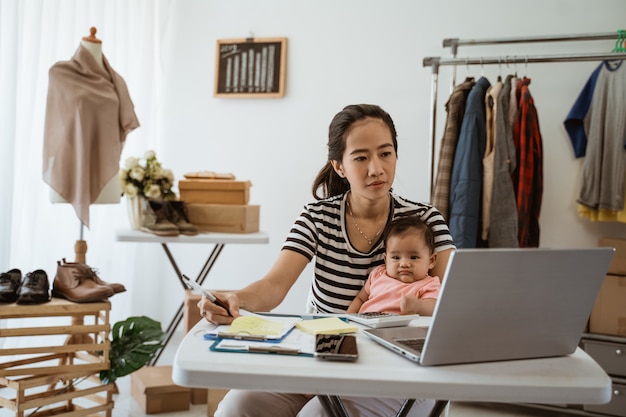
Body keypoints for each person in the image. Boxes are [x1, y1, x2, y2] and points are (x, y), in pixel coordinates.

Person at [199, 104, 456, 417]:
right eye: (361, 157)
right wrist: (236, 298)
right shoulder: (317, 217)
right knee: (235, 408)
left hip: (400, 367)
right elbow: (273, 285)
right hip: (326, 353)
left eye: (385, 153)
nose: (376, 168)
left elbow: (455, 301)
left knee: (316, 415)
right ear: (339, 166)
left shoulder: (426, 220)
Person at [346, 216, 440, 316]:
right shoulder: (378, 274)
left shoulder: (429, 284)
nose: (404, 264)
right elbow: (361, 298)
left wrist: (418, 306)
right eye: (396, 257)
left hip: (399, 328)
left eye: (413, 257)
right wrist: (349, 316)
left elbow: (434, 308)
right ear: (386, 260)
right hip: (366, 324)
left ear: (431, 260)